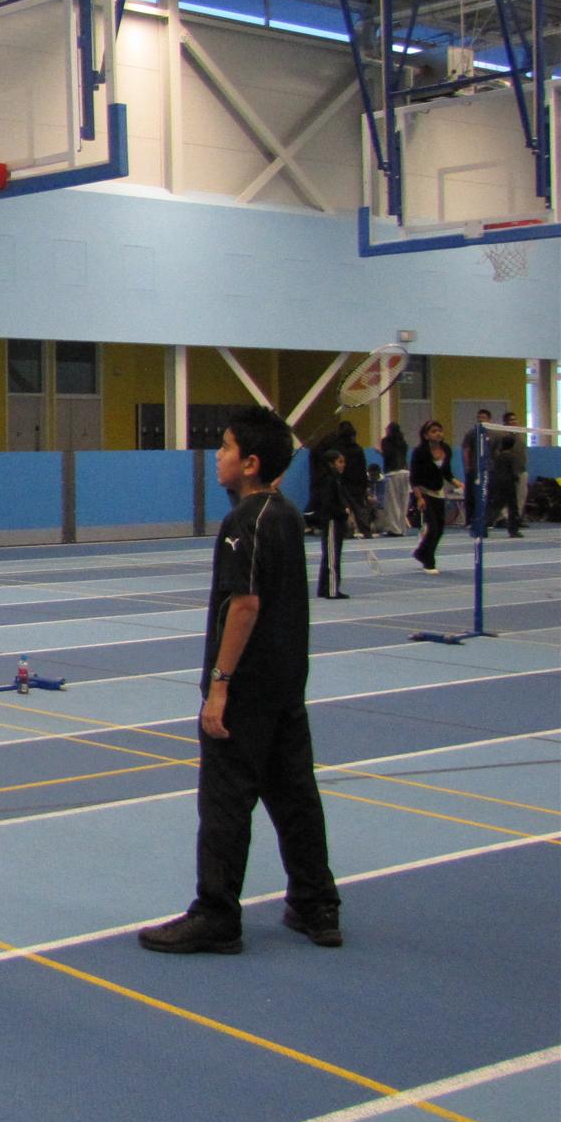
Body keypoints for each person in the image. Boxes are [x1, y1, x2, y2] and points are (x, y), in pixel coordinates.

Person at [140, 406, 341, 955]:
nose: (218, 456)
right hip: (285, 690)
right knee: (296, 798)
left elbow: (246, 605)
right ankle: (317, 904)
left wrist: (220, 684)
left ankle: (216, 913)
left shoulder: (245, 522)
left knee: (225, 806)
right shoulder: (288, 515)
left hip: (246, 693)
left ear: (251, 464)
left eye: (226, 448)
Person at [409, 420, 455, 574]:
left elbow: (447, 473)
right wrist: (419, 498)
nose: (438, 433)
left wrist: (459, 484)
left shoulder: (447, 449)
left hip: (439, 492)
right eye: (434, 431)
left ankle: (421, 552)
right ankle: (429, 561)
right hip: (423, 492)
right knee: (433, 528)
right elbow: (414, 477)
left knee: (440, 529)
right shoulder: (419, 452)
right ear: (426, 435)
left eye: (440, 430)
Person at [308, 448, 350, 601]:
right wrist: (343, 512)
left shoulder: (334, 480)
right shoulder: (328, 480)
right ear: (331, 464)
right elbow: (328, 504)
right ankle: (332, 590)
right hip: (332, 521)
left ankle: (323, 588)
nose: (343, 465)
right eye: (340, 462)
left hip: (335, 520)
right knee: (332, 556)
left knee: (330, 555)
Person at [488, 411, 525, 538]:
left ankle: (484, 526)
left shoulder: (499, 457)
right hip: (508, 484)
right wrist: (516, 478)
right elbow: (514, 472)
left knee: (496, 506)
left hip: (498, 483)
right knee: (512, 507)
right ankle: (513, 530)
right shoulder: (511, 457)